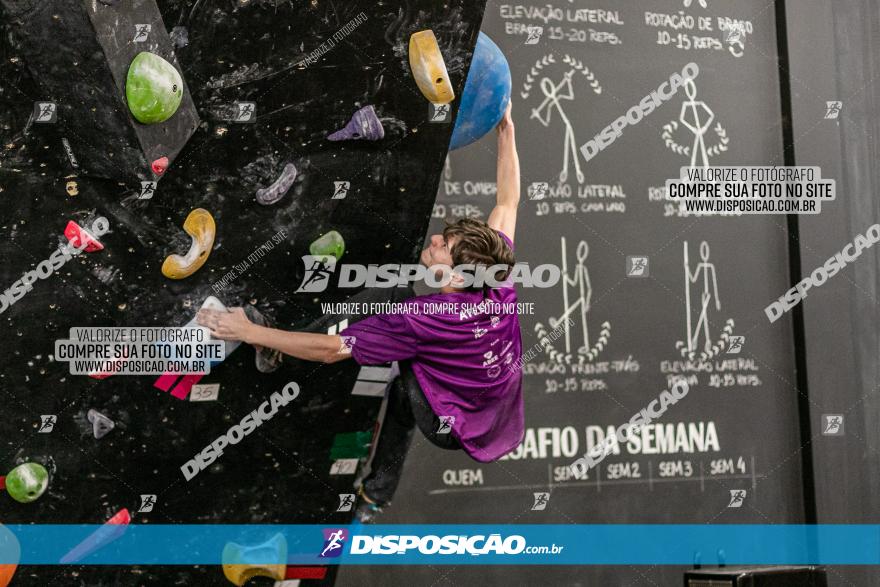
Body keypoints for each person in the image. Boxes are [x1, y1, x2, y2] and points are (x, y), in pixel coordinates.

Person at [197, 103, 523, 522]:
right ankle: (375, 497)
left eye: (444, 246)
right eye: (445, 235)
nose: (437, 239)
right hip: (495, 414)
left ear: (458, 278)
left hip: (454, 423)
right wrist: (506, 129)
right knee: (405, 394)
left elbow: (332, 349)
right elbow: (509, 202)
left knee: (393, 303)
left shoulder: (423, 317)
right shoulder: (498, 277)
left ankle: (276, 350)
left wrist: (252, 332)